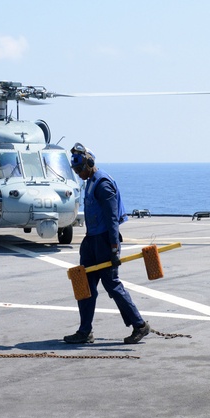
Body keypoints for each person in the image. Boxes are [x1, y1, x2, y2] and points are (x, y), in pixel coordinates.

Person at [63, 144, 151, 345]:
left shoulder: (103, 185)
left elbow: (112, 219)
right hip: (92, 241)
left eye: (79, 169)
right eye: (76, 171)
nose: (78, 173)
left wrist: (113, 249)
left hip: (104, 241)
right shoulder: (91, 182)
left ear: (90, 164)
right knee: (84, 285)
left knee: (112, 285)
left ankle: (139, 325)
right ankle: (85, 331)